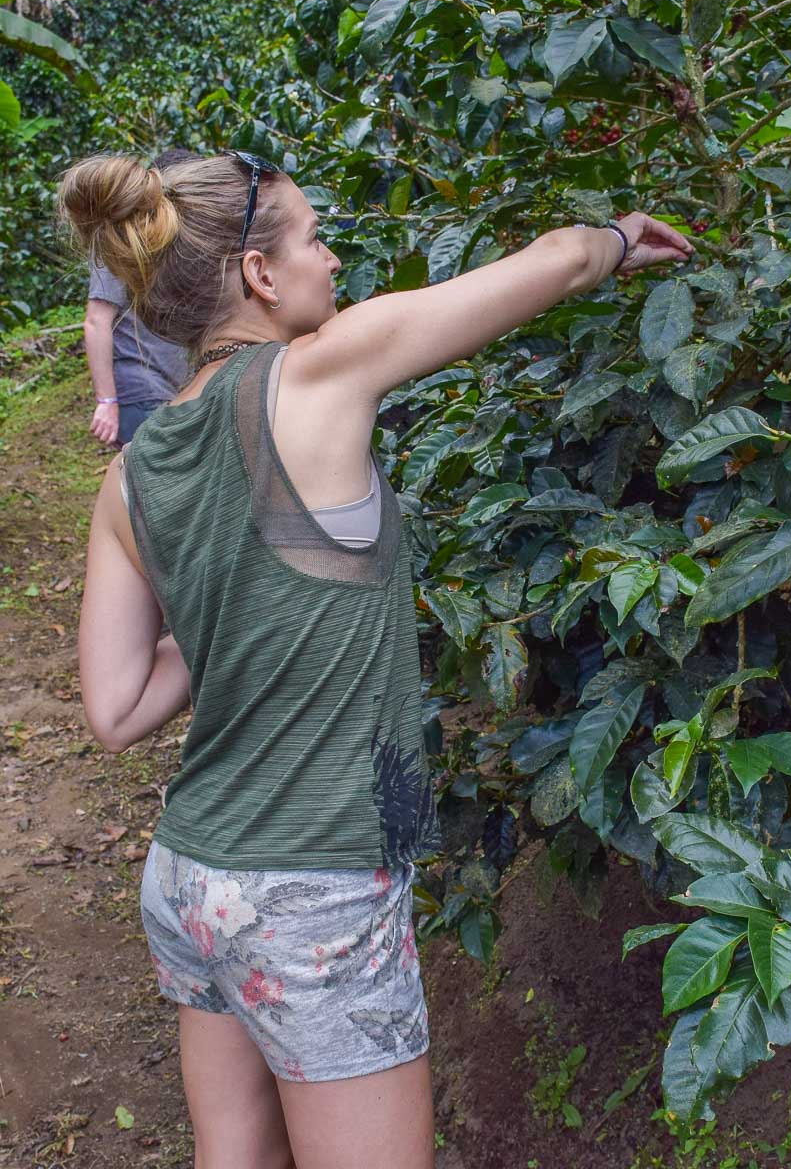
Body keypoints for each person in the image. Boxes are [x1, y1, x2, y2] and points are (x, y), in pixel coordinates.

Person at [59, 150, 692, 1169]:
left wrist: (229, 605)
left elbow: (117, 708)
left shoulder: (130, 477)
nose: (331, 259)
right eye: (315, 238)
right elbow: (562, 261)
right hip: (310, 889)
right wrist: (623, 237)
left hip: (192, 879)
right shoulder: (321, 371)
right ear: (260, 275)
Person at [84, 150, 194, 447]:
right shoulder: (119, 237)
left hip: (173, 391)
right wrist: (106, 401)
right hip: (143, 390)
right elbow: (96, 321)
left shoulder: (173, 238)